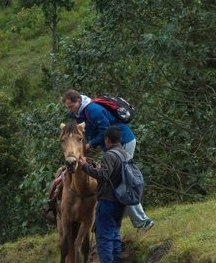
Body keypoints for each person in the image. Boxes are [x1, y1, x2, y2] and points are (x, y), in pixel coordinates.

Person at [62, 89, 153, 231]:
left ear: (78, 101)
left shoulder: (92, 110)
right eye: (67, 107)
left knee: (123, 182)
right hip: (112, 147)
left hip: (123, 142)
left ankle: (142, 222)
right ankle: (124, 221)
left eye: (71, 106)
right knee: (117, 182)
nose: (69, 110)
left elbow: (106, 130)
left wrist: (90, 144)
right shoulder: (79, 114)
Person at [78, 126, 125, 263]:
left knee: (103, 235)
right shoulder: (124, 154)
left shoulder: (109, 155)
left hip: (107, 200)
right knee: (115, 234)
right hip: (121, 200)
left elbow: (103, 175)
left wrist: (85, 166)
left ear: (106, 140)